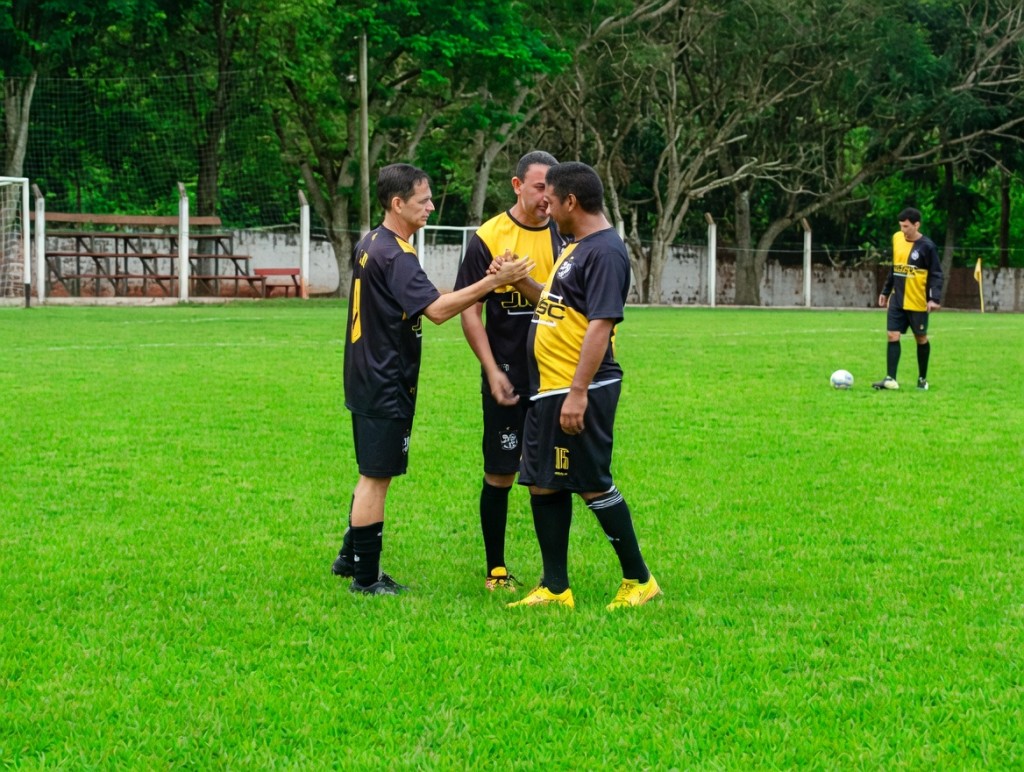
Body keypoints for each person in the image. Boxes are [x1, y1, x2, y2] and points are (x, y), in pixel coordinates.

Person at [330, 163, 533, 596]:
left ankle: (350, 556)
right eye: (423, 201)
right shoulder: (396, 254)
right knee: (375, 476)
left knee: (372, 469)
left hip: (366, 372)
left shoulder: (371, 242)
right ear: (397, 203)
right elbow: (439, 311)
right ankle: (365, 580)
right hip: (385, 378)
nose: (431, 207)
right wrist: (494, 281)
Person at [505, 161, 661, 611]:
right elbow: (560, 307)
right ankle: (555, 587)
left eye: (551, 201)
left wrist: (577, 392)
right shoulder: (577, 247)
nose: (546, 209)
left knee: (591, 482)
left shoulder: (606, 251)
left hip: (578, 390)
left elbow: (600, 324)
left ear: (570, 201)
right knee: (543, 483)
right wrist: (522, 281)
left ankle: (639, 580)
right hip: (549, 389)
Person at [454, 150, 566, 592]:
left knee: (551, 476)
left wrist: (518, 280)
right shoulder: (488, 236)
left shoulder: (564, 234)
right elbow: (468, 309)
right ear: (517, 186)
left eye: (552, 190)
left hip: (552, 375)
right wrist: (490, 370)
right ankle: (496, 569)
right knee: (501, 471)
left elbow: (566, 307)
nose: (547, 198)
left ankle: (553, 576)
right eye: (540, 188)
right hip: (505, 374)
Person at [872, 207, 943, 391]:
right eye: (901, 226)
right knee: (892, 335)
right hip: (897, 299)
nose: (903, 230)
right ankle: (890, 379)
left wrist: (933, 298)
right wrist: (886, 291)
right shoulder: (897, 238)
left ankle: (922, 379)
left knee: (920, 338)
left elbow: (936, 274)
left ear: (916, 225)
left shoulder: (927, 246)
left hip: (917, 301)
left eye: (906, 226)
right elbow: (895, 267)